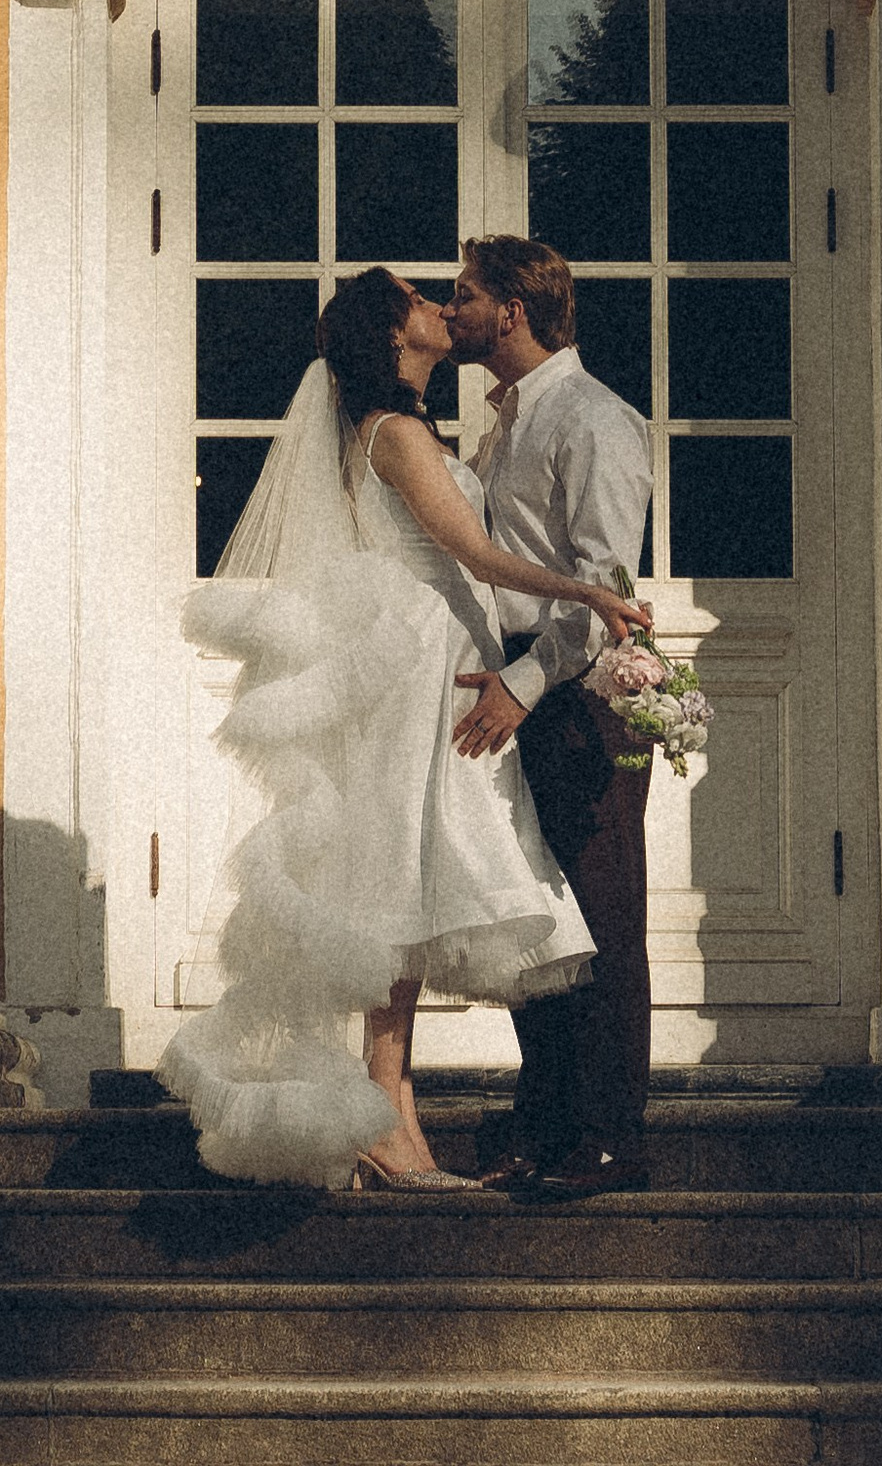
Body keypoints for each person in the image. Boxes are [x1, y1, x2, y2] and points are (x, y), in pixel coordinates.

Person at [160, 266, 645, 1190]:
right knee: (401, 883)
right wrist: (583, 588)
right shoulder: (398, 430)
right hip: (423, 663)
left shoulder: (412, 426)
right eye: (421, 301)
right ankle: (389, 1117)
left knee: (414, 885)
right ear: (393, 338)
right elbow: (475, 551)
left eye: (447, 294)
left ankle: (392, 1112)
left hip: (441, 660)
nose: (437, 308)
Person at [447, 234, 656, 1198]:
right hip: (524, 697)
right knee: (544, 924)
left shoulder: (594, 420)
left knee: (603, 921)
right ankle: (546, 1118)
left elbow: (603, 589)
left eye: (466, 295)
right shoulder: (505, 422)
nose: (453, 312)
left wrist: (524, 687)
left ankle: (609, 1138)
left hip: (579, 698)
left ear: (513, 311)